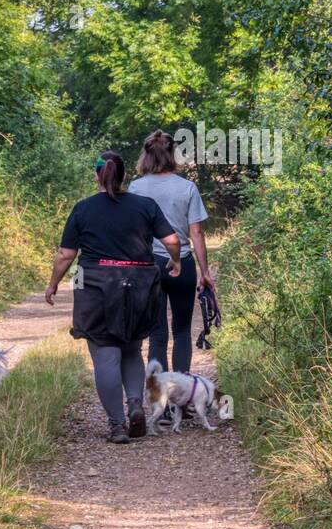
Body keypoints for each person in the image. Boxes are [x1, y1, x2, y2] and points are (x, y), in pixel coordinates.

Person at [45, 151, 182, 443]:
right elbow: (172, 240)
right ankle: (135, 403)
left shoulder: (83, 209)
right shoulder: (145, 205)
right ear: (124, 176)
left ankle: (118, 425)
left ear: (98, 176)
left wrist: (53, 284)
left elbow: (65, 254)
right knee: (132, 350)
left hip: (97, 287)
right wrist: (176, 262)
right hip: (140, 287)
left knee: (106, 357)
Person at [127, 130, 214, 378]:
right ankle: (182, 397)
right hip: (182, 263)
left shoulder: (135, 188)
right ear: (172, 154)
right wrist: (204, 272)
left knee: (157, 334)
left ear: (146, 156)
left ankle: (161, 402)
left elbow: (131, 230)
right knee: (182, 331)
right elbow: (196, 233)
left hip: (148, 266)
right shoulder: (187, 187)